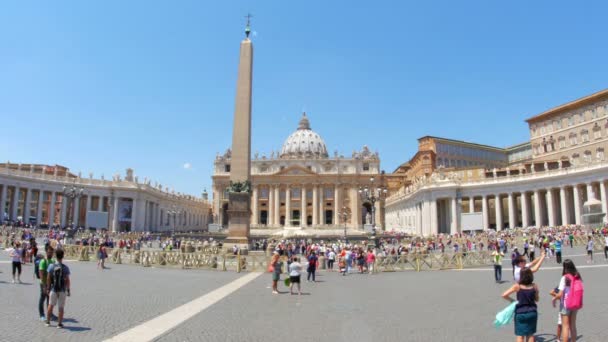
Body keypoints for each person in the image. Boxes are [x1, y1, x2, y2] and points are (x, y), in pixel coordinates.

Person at [502, 268, 539, 342]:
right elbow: (537, 299)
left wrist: (512, 300)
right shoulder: (534, 286)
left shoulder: (517, 286)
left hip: (520, 313)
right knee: (530, 334)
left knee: (520, 335)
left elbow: (504, 295)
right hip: (532, 312)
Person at [550, 259, 583, 342]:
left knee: (565, 326)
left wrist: (554, 298)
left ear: (565, 267)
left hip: (565, 304)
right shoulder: (577, 276)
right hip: (575, 304)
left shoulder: (564, 278)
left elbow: (560, 294)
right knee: (573, 326)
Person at [45, 249, 71, 328]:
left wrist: (48, 288)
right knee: (61, 307)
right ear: (62, 256)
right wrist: (68, 289)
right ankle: (59, 324)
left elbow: (48, 278)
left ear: (55, 256)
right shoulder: (65, 267)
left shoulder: (51, 266)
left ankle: (48, 322)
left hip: (53, 288)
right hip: (62, 289)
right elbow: (67, 280)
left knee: (50, 305)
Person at [38, 247, 55, 321]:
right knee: (43, 298)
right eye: (49, 252)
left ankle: (50, 313)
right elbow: (41, 274)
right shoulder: (43, 261)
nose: (50, 253)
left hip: (50, 283)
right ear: (46, 252)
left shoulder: (52, 261)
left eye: (51, 252)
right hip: (44, 283)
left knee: (50, 299)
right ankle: (41, 315)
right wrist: (44, 286)